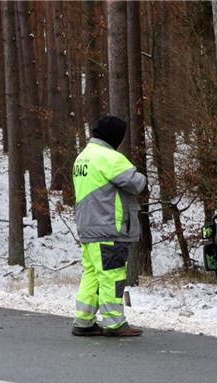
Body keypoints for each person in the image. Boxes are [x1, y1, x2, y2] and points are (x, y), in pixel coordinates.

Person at [71, 115, 147, 337]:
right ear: (115, 137)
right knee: (112, 276)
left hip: (88, 227)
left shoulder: (82, 157)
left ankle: (83, 322)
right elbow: (137, 183)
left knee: (92, 274)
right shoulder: (110, 157)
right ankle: (115, 324)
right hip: (108, 227)